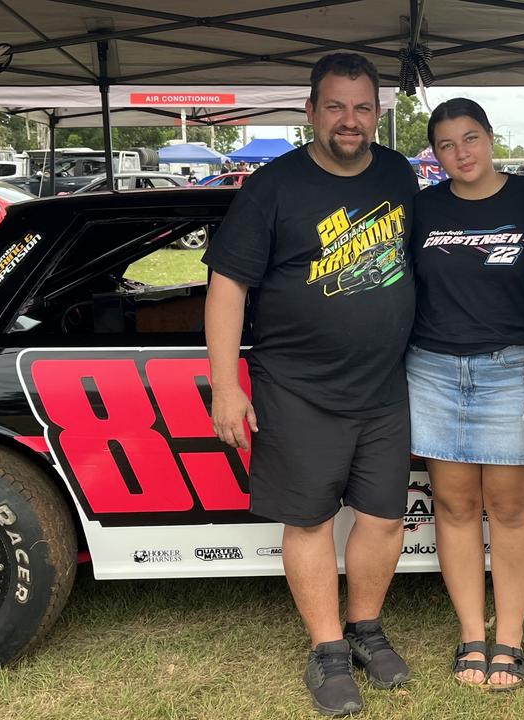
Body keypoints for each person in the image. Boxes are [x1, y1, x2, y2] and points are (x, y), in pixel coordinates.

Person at [204, 53, 417, 717]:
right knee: (310, 519)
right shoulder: (273, 187)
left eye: (361, 108)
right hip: (295, 385)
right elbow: (227, 284)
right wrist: (224, 384)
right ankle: (327, 650)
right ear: (311, 112)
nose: (349, 121)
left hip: (384, 385)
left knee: (384, 518)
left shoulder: (397, 172)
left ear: (376, 114)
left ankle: (366, 629)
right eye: (335, 107)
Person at [409, 98, 524, 691]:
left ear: (490, 137)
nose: (461, 153)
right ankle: (471, 635)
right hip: (433, 370)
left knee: (510, 508)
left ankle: (508, 636)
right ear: (435, 154)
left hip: (511, 370)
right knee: (455, 506)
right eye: (446, 145)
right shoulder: (422, 207)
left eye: (471, 139)